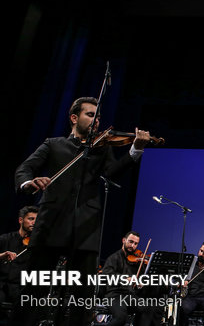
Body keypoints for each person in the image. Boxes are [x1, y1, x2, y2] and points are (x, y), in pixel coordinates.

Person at [13, 96, 151, 325]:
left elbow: (113, 172)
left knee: (83, 295)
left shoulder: (101, 149)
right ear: (74, 118)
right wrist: (28, 183)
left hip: (86, 227)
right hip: (51, 224)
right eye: (91, 115)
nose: (97, 121)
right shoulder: (53, 144)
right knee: (34, 289)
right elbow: (25, 169)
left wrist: (136, 148)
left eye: (99, 117)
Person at [0, 206, 38, 304]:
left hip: (22, 288)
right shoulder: (5, 239)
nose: (34, 222)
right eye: (31, 219)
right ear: (21, 220)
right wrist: (2, 255)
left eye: (37, 220)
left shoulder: (37, 245)